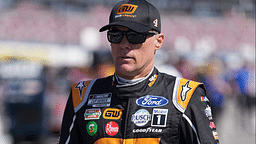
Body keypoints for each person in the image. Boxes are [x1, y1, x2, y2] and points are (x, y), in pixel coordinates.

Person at [58, 0, 220, 143]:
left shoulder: (184, 96)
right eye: (115, 35)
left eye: (134, 36)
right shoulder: (82, 96)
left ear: (158, 41)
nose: (124, 44)